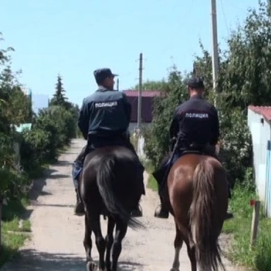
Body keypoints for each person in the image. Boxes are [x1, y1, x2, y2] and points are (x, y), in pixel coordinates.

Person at [152, 76, 234, 220]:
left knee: (163, 171)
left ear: (189, 89)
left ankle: (164, 206)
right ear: (202, 90)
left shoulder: (180, 109)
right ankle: (224, 207)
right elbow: (215, 134)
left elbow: (173, 132)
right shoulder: (210, 109)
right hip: (205, 150)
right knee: (223, 174)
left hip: (183, 150)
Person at [72, 68, 145, 216]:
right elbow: (127, 116)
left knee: (77, 166)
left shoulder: (88, 100)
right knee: (137, 166)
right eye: (111, 78)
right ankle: (135, 204)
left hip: (96, 144)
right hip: (120, 143)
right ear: (106, 80)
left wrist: (88, 136)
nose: (113, 80)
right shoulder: (120, 96)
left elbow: (82, 123)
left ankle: (80, 199)